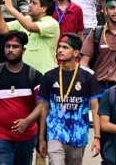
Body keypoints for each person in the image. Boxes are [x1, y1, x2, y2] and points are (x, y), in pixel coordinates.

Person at [37, 34, 103, 165]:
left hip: (78, 135)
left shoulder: (88, 76)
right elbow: (44, 107)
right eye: (59, 46)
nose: (60, 50)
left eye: (65, 47)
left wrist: (97, 136)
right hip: (55, 133)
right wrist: (41, 138)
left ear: (76, 53)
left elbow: (95, 107)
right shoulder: (49, 76)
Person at [0, 31, 41, 165]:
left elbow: (42, 105)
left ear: (23, 50)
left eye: (15, 47)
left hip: (27, 137)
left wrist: (27, 121)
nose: (10, 50)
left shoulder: (33, 75)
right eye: (7, 46)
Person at [0, 0, 61, 74]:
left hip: (44, 74)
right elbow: (2, 29)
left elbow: (31, 27)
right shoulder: (27, 19)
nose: (30, 5)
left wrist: (11, 8)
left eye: (34, 3)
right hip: (25, 74)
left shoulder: (52, 23)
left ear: (44, 8)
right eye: (30, 2)